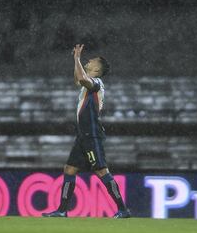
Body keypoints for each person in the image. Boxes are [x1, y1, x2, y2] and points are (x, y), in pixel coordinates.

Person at [42, 44, 131, 218]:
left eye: (92, 61)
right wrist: (76, 59)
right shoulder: (88, 84)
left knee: (101, 171)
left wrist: (77, 59)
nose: (88, 61)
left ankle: (123, 209)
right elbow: (78, 78)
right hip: (83, 136)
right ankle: (62, 211)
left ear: (97, 69)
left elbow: (82, 79)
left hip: (91, 135)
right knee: (69, 169)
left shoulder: (97, 83)